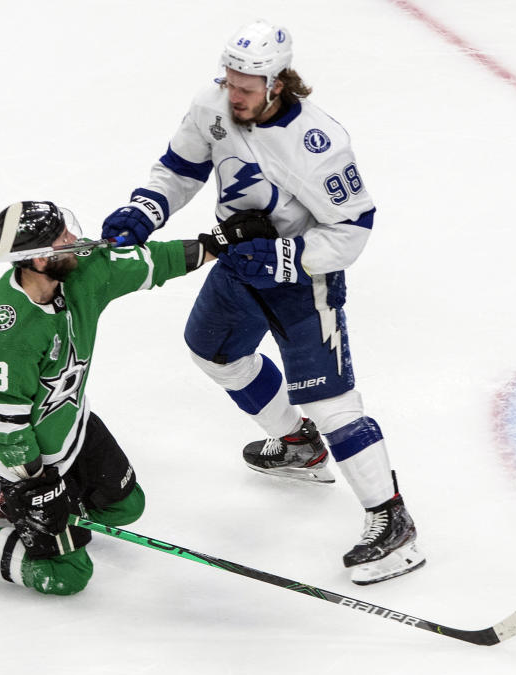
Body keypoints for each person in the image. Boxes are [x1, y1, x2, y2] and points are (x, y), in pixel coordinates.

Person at [100, 19, 425, 585]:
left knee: (333, 401)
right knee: (213, 351)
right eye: (230, 82)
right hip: (239, 264)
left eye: (247, 88)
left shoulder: (318, 145)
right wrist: (145, 209)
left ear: (278, 84)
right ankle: (300, 445)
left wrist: (285, 258)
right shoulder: (215, 102)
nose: (234, 95)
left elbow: (352, 230)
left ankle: (392, 520)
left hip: (303, 279)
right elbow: (178, 169)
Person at [0, 201, 232, 595]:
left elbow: (150, 261)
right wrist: (39, 484)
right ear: (40, 261)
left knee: (126, 506)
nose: (75, 240)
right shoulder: (7, 330)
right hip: (25, 461)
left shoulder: (82, 273)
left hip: (73, 427)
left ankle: (5, 506)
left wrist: (218, 242)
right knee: (68, 575)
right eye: (63, 238)